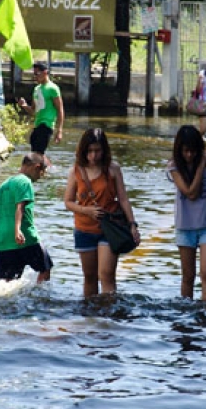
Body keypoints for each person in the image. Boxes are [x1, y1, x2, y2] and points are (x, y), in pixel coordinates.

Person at [63, 128, 140, 299]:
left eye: (97, 151)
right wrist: (86, 210)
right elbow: (68, 202)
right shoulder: (76, 171)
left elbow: (124, 199)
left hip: (109, 228)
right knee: (89, 277)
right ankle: (91, 318)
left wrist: (132, 224)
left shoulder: (113, 169)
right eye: (89, 151)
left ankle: (108, 317)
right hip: (84, 228)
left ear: (104, 150)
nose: (93, 156)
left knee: (106, 275)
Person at [167, 126, 206, 302]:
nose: (190, 155)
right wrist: (201, 165)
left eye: (193, 151)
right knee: (188, 276)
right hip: (185, 226)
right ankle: (186, 312)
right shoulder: (174, 166)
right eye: (186, 151)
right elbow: (190, 192)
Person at [0, 152, 53, 284]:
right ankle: (39, 298)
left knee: (8, 281)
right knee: (45, 268)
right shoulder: (25, 182)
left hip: (3, 239)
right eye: (42, 171)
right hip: (25, 237)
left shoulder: (5, 183)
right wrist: (17, 229)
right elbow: (20, 206)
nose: (41, 175)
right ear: (36, 167)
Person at [17, 61, 64, 157]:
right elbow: (34, 111)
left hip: (46, 125)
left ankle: (42, 169)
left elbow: (60, 109)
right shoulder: (36, 89)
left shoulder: (53, 88)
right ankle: (44, 169)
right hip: (37, 125)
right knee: (34, 153)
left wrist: (59, 130)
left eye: (37, 73)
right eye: (34, 74)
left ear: (45, 72)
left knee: (38, 154)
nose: (35, 76)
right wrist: (24, 105)